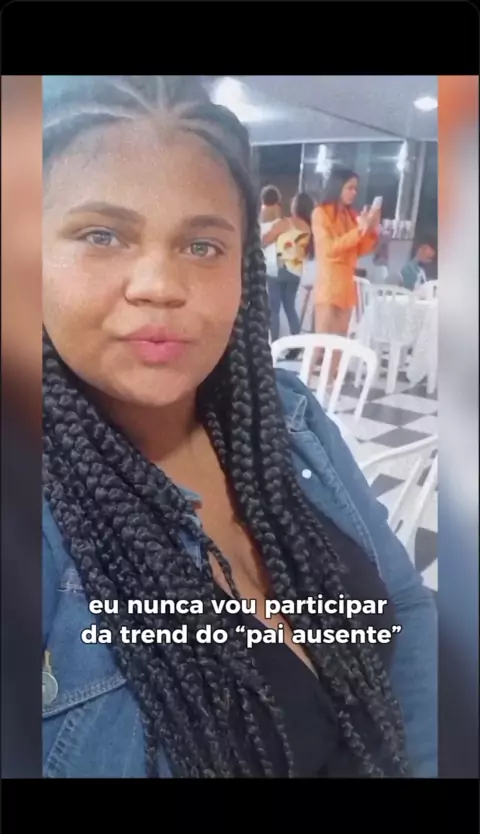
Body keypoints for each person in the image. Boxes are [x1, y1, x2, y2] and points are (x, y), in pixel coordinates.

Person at [42, 75, 437, 779]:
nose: (160, 284)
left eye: (202, 246)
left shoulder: (289, 420)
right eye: (103, 235)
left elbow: (406, 611)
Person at [312, 168, 381, 378]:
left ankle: (330, 381)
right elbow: (330, 249)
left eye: (355, 189)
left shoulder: (351, 216)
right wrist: (359, 230)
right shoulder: (321, 213)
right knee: (320, 341)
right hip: (329, 283)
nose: (354, 193)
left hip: (346, 284)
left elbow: (359, 249)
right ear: (337, 187)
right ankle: (304, 382)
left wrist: (370, 229)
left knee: (340, 341)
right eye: (349, 188)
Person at [262, 192, 314, 342]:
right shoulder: (309, 228)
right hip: (295, 272)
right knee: (290, 307)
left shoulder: (286, 223)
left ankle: (274, 344)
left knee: (274, 308)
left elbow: (265, 240)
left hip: (278, 268)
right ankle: (296, 343)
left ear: (295, 206)